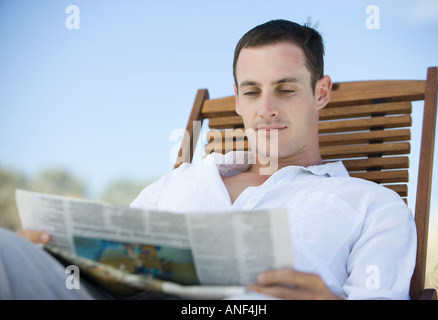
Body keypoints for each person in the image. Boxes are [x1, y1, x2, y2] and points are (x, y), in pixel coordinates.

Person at [1, 19, 416, 300]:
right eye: (251, 91)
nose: (266, 109)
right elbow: (111, 271)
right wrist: (53, 254)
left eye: (285, 89)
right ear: (236, 99)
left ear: (321, 92)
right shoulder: (178, 182)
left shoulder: (374, 206)